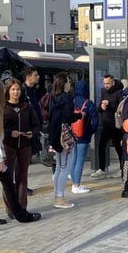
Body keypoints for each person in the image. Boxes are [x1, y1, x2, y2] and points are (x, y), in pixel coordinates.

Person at [0, 78, 40, 225]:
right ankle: (20, 215)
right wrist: (0, 158)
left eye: (17, 89)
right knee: (8, 185)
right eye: (8, 89)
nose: (14, 92)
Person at [1, 78, 41, 221]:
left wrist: (32, 133)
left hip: (25, 145)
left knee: (22, 176)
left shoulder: (27, 107)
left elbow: (36, 125)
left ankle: (22, 206)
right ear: (8, 91)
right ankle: (10, 208)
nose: (16, 92)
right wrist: (9, 133)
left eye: (18, 89)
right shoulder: (3, 107)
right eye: (13, 89)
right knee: (8, 177)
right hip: (9, 145)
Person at [47, 72, 81, 209]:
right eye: (68, 81)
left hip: (54, 135)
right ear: (64, 83)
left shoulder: (52, 97)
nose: (70, 83)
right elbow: (69, 116)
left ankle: (57, 195)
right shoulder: (67, 98)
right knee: (64, 167)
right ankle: (59, 197)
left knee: (59, 168)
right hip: (64, 136)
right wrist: (79, 115)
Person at [92, 74, 123, 179]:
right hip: (105, 124)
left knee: (119, 147)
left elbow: (120, 108)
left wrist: (109, 105)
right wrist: (101, 107)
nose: (106, 85)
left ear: (113, 82)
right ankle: (102, 168)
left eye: (108, 83)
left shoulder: (119, 92)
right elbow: (100, 108)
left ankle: (122, 168)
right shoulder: (103, 91)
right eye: (104, 83)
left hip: (115, 125)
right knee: (101, 146)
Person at [70, 80, 97, 194]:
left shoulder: (72, 101)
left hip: (72, 134)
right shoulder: (88, 103)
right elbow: (95, 120)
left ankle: (73, 183)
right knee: (80, 160)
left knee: (74, 159)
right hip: (83, 135)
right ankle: (77, 185)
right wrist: (91, 132)